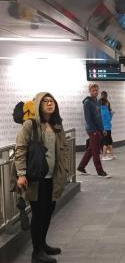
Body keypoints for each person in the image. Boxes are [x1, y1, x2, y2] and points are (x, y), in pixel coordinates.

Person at [15, 92, 68, 263]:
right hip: (36, 179)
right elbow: (21, 149)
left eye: (52, 100)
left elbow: (63, 149)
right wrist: (21, 174)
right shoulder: (30, 125)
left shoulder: (56, 125)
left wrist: (64, 170)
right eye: (45, 101)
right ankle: (36, 253)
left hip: (53, 178)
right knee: (39, 214)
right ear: (38, 104)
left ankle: (42, 245)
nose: (49, 103)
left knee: (48, 212)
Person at [77, 83, 110, 178]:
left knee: (91, 149)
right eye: (93, 90)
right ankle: (100, 172)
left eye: (96, 90)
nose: (95, 92)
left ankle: (81, 167)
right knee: (95, 151)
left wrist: (102, 128)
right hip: (92, 130)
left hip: (98, 129)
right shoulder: (87, 102)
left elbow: (99, 117)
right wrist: (94, 130)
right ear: (90, 91)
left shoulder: (97, 101)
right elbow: (88, 118)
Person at [100, 95, 114, 160]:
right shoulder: (105, 110)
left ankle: (111, 155)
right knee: (106, 142)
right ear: (106, 103)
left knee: (109, 141)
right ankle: (103, 156)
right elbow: (109, 119)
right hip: (106, 128)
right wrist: (112, 114)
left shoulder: (101, 109)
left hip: (105, 128)